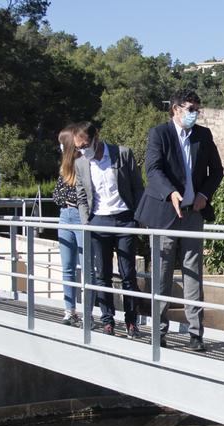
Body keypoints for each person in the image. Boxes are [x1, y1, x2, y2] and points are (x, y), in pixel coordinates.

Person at [136, 90, 224, 351]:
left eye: (197, 108)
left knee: (193, 274)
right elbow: (152, 169)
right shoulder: (159, 133)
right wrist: (170, 192)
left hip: (193, 214)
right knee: (161, 273)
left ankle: (196, 334)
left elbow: (216, 171)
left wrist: (203, 195)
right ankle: (159, 331)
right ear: (175, 109)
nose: (195, 113)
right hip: (165, 213)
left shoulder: (203, 135)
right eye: (190, 108)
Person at [72, 121, 144, 337]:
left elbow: (137, 187)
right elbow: (81, 194)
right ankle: (107, 320)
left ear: (96, 138)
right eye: (78, 147)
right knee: (101, 274)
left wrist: (137, 219)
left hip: (124, 221)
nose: (83, 150)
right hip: (98, 223)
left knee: (128, 274)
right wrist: (87, 221)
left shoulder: (122, 154)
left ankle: (132, 321)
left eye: (85, 145)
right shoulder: (81, 163)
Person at [51, 126, 87, 326]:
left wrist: (71, 198)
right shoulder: (65, 167)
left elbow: (82, 196)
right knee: (67, 267)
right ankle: (69, 310)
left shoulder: (85, 163)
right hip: (65, 216)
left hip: (80, 217)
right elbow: (57, 195)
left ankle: (88, 312)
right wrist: (69, 198)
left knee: (87, 266)